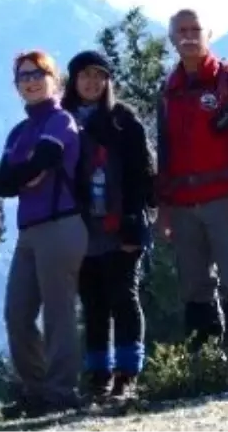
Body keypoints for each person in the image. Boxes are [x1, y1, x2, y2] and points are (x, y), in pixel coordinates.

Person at [155, 9, 228, 351]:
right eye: (181, 30)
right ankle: (205, 362)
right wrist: (165, 208)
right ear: (171, 38)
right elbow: (165, 152)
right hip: (183, 204)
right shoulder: (168, 91)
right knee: (193, 284)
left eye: (195, 29)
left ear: (208, 34)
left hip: (226, 197)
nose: (188, 35)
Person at [0, 50, 88, 416]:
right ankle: (36, 389)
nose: (30, 80)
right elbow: (3, 184)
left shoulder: (60, 120)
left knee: (58, 312)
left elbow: (45, 161)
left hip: (62, 224)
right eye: (22, 76)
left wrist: (28, 172)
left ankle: (61, 391)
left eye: (38, 73)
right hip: (29, 232)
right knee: (16, 313)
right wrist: (27, 174)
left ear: (54, 79)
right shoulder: (20, 132)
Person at [61, 50, 155, 401]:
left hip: (121, 224)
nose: (92, 82)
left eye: (99, 76)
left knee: (123, 297)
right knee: (93, 302)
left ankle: (127, 373)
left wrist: (134, 221)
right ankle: (98, 375)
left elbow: (143, 173)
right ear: (73, 80)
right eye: (85, 75)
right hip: (81, 227)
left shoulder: (123, 119)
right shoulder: (63, 120)